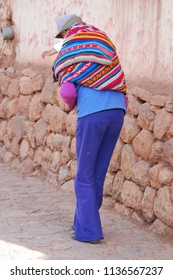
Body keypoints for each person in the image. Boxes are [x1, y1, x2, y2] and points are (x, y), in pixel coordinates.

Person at [53, 14, 127, 244]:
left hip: (92, 115)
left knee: (84, 174)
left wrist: (71, 103)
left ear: (66, 33)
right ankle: (83, 222)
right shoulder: (101, 41)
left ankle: (89, 232)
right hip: (117, 111)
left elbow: (67, 92)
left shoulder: (72, 50)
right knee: (98, 171)